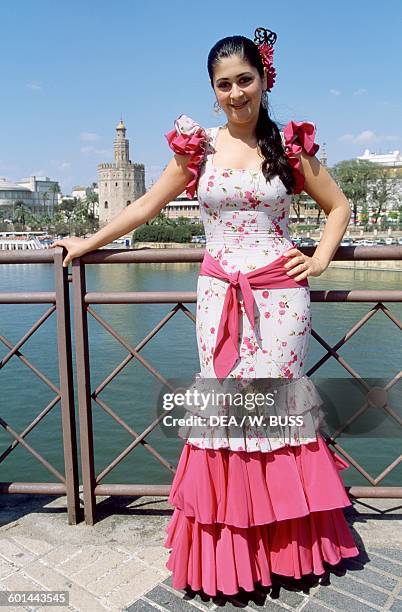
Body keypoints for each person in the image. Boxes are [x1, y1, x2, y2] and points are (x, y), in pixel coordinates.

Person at [51, 26, 360, 598]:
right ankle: (232, 555)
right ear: (213, 91)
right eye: (224, 85)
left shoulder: (289, 146)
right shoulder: (200, 148)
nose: (236, 93)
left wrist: (318, 259)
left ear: (265, 80)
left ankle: (285, 551)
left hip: (279, 299)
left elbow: (338, 205)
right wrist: (86, 243)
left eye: (245, 80)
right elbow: (146, 204)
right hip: (220, 296)